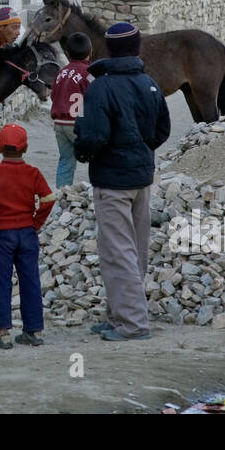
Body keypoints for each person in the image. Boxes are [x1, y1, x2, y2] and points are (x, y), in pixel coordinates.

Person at [74, 22, 170, 342]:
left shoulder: (100, 88)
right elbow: (161, 131)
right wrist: (140, 151)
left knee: (117, 251)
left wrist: (84, 151)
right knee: (135, 251)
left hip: (112, 181)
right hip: (142, 178)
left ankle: (132, 324)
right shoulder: (150, 84)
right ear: (137, 48)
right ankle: (119, 315)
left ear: (110, 49)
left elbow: (93, 135)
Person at [0, 124, 55, 349]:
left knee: (2, 282)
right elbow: (48, 199)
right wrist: (36, 223)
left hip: (1, 235)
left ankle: (3, 333)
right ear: (25, 148)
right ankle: (34, 331)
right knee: (30, 280)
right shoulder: (33, 173)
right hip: (27, 233)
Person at [50, 31, 93, 188]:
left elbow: (53, 95)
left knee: (66, 160)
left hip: (59, 123)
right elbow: (94, 96)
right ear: (90, 52)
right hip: (77, 123)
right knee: (96, 159)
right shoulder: (88, 73)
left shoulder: (61, 72)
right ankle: (94, 194)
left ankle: (62, 194)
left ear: (67, 53)